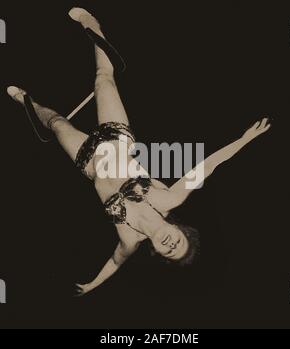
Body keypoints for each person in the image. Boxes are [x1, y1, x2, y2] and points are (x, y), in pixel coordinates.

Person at [7, 8, 271, 295]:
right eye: (178, 243)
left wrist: (92, 284)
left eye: (169, 252)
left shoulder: (129, 239)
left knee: (57, 124)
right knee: (102, 79)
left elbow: (115, 262)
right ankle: (91, 24)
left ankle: (24, 100)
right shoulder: (170, 198)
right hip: (117, 139)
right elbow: (208, 165)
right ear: (181, 230)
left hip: (88, 162)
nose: (171, 245)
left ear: (158, 253)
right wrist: (245, 139)